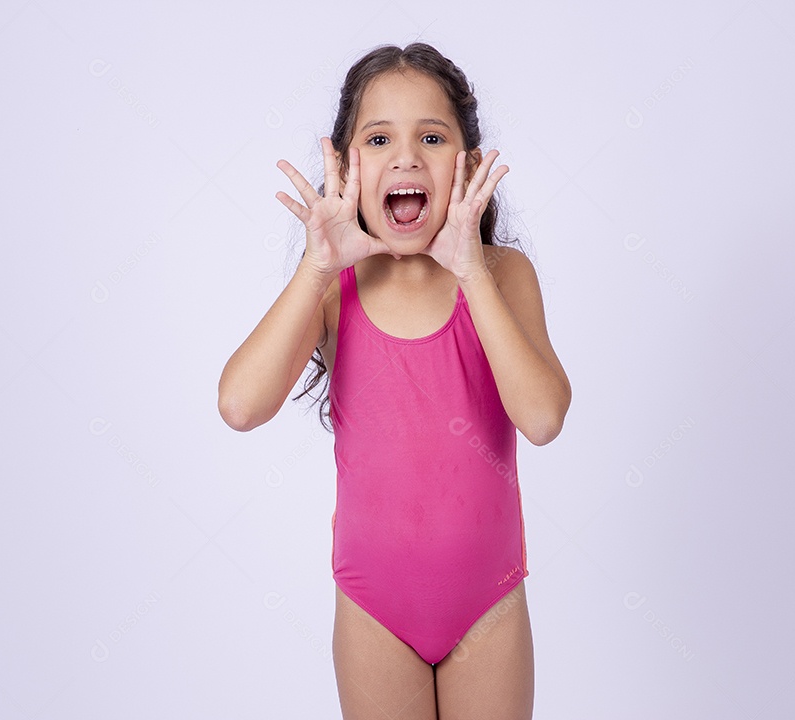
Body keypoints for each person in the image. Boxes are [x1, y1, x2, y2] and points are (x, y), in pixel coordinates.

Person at [218, 42, 570, 720]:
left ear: (467, 166)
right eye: (379, 138)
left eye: (431, 137)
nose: (406, 156)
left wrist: (471, 270)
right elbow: (239, 403)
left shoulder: (502, 277)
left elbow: (544, 417)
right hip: (375, 611)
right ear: (347, 166)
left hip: (488, 608)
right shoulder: (333, 290)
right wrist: (316, 269)